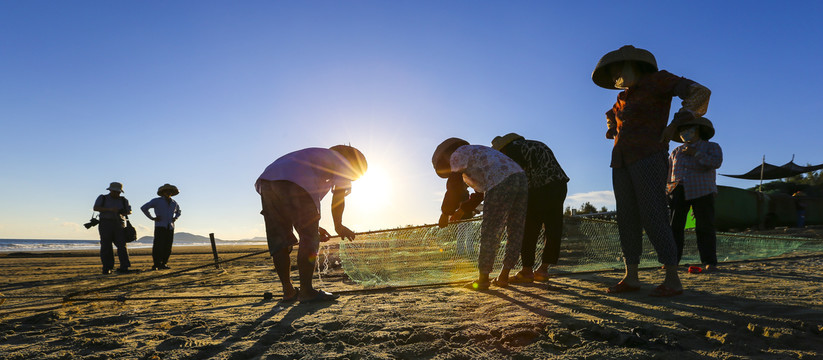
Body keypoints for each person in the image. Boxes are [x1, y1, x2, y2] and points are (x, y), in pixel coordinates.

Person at [592, 45, 711, 297]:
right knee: (626, 217)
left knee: (654, 213)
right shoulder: (622, 96)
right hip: (620, 161)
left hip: (649, 156)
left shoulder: (659, 80)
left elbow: (700, 92)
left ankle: (672, 278)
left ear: (630, 65)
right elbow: (611, 116)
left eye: (616, 69)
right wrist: (611, 127)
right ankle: (631, 276)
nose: (615, 75)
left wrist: (676, 124)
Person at [256, 145, 367, 302]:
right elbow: (338, 198)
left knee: (280, 240)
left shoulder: (314, 156)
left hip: (268, 180)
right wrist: (338, 226)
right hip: (294, 182)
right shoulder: (343, 161)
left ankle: (288, 291)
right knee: (309, 239)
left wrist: (313, 226)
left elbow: (298, 209)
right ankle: (306, 291)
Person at [432, 137, 528, 290]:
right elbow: (479, 194)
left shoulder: (457, 155)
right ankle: (504, 275)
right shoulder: (476, 154)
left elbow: (454, 186)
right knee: (515, 228)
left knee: (490, 230)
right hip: (520, 178)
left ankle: (483, 279)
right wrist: (462, 210)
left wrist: (445, 213)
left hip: (500, 181)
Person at [491, 133, 569, 285]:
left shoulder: (513, 150)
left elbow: (516, 176)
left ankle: (526, 271)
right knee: (553, 228)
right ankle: (543, 269)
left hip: (539, 188)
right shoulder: (535, 144)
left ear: (503, 148)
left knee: (529, 229)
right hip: (559, 185)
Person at [666, 115, 722, 271]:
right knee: (675, 227)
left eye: (688, 129)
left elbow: (716, 163)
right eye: (682, 130)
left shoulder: (711, 147)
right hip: (678, 190)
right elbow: (669, 173)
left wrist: (695, 153)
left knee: (705, 226)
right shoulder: (676, 151)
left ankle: (709, 261)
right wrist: (667, 191)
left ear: (698, 129)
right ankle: (672, 261)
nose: (685, 132)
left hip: (702, 189)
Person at [93, 182, 133, 274]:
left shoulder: (124, 200)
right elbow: (95, 208)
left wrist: (125, 212)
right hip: (105, 223)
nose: (116, 193)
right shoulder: (102, 198)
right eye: (115, 191)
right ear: (110, 190)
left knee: (122, 246)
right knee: (106, 246)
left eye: (118, 192)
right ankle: (107, 268)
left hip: (119, 223)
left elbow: (129, 211)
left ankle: (124, 267)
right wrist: (110, 210)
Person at [141, 184, 182, 270]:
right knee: (158, 246)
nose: (168, 193)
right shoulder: (156, 201)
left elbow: (179, 211)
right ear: (163, 192)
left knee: (168, 246)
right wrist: (152, 218)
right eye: (166, 191)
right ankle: (156, 264)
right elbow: (144, 208)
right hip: (160, 226)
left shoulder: (174, 203)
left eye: (170, 191)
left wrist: (175, 218)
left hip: (170, 227)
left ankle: (164, 263)